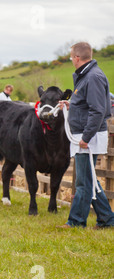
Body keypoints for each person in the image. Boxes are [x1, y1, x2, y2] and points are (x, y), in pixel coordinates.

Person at [57, 42, 114, 229]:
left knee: (83, 181)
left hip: (88, 136)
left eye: (71, 57)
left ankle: (76, 221)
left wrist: (86, 137)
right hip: (85, 134)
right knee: (88, 178)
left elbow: (98, 111)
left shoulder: (92, 77)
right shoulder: (87, 76)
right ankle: (106, 219)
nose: (71, 61)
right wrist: (70, 105)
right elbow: (85, 104)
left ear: (77, 58)